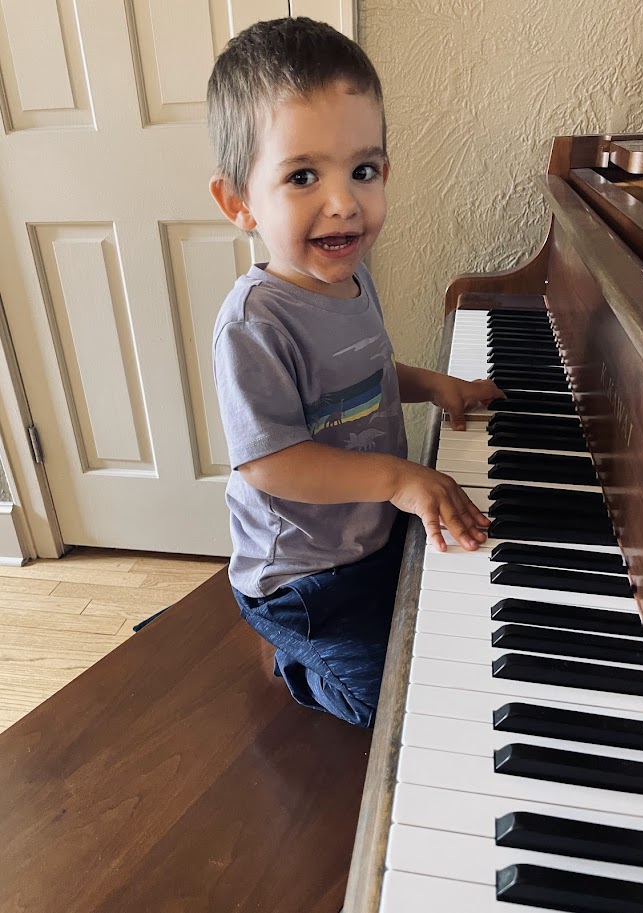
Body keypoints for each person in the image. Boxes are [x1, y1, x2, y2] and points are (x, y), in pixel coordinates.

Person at [208, 17, 502, 727]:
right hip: (302, 581)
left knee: (442, 638)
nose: (343, 201)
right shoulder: (255, 323)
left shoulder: (351, 278)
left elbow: (362, 375)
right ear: (238, 202)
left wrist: (434, 385)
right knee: (395, 709)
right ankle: (294, 663)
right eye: (302, 175)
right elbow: (272, 465)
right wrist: (402, 479)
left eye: (361, 170)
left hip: (368, 535)